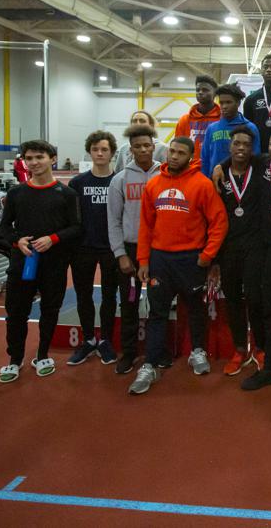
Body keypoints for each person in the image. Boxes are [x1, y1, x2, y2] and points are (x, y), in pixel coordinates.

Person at [128, 137, 228, 395]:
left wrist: (207, 255)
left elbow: (219, 223)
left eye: (180, 153)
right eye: (171, 151)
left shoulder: (202, 185)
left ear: (190, 156)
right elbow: (146, 226)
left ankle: (197, 350)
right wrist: (143, 260)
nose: (173, 156)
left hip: (191, 260)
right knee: (157, 313)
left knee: (195, 308)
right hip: (160, 259)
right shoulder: (154, 184)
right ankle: (150, 364)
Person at [223, 130, 271, 391]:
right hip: (266, 246)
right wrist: (218, 166)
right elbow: (236, 157)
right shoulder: (263, 163)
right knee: (266, 303)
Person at [0, 140, 80, 382]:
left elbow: (76, 228)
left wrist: (53, 239)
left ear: (52, 159)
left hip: (54, 264)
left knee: (50, 310)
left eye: (39, 157)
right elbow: (4, 227)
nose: (33, 162)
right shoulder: (15, 193)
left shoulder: (67, 194)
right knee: (15, 312)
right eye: (29, 158)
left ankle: (42, 354)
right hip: (22, 263)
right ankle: (15, 359)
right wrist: (17, 241)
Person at [106, 124, 161, 374]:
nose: (143, 150)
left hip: (158, 250)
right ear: (131, 149)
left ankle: (157, 352)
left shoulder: (165, 176)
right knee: (128, 304)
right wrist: (120, 254)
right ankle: (128, 353)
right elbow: (113, 220)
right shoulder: (120, 180)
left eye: (147, 145)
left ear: (154, 146)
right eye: (138, 146)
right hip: (129, 249)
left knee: (158, 303)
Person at [214, 126, 267, 377]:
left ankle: (260, 347)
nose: (241, 148)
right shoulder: (220, 174)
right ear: (230, 146)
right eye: (237, 144)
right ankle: (238, 348)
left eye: (246, 144)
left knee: (256, 298)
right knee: (233, 299)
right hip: (229, 247)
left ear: (252, 147)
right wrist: (220, 166)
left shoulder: (260, 167)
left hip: (255, 245)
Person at [67, 131, 121, 368]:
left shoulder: (119, 180)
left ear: (112, 153)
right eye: (95, 150)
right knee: (83, 295)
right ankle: (89, 339)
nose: (100, 154)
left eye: (104, 150)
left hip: (112, 248)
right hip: (83, 249)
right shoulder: (77, 183)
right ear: (89, 152)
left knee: (110, 296)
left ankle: (106, 340)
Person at [200, 84, 260, 177]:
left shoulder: (250, 128)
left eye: (228, 102)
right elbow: (205, 159)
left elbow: (255, 158)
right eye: (221, 103)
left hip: (241, 182)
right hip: (215, 181)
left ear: (238, 103)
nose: (224, 106)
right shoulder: (212, 128)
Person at [174, 76, 222, 158]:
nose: (200, 92)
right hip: (192, 168)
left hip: (216, 167)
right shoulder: (184, 120)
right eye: (197, 90)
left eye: (205, 90)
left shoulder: (223, 119)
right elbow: (178, 147)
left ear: (215, 93)